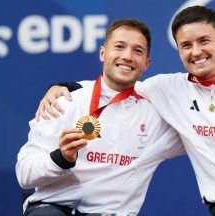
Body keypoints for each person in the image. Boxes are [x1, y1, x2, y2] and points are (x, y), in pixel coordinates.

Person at [37, 6, 215, 216]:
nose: (196, 52)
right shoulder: (169, 89)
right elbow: (120, 83)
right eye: (186, 45)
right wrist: (64, 86)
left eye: (204, 41)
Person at [16, 18, 185, 216]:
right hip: (53, 207)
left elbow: (207, 128)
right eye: (119, 47)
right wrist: (61, 158)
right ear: (103, 53)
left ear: (147, 64)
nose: (128, 56)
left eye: (137, 51)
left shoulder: (158, 114)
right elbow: (24, 174)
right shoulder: (64, 101)